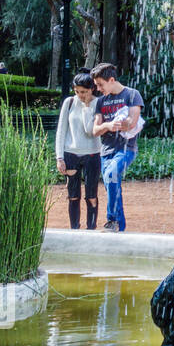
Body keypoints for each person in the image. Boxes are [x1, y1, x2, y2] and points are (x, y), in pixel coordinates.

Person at [90, 62, 144, 233]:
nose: (98, 89)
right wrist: (108, 125)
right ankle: (119, 227)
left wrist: (120, 123)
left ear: (111, 80)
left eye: (100, 84)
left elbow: (132, 122)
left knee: (111, 174)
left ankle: (112, 220)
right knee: (112, 185)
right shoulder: (100, 102)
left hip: (126, 149)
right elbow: (95, 130)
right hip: (105, 152)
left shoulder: (132, 95)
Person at [54, 73, 101, 230]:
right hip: (70, 153)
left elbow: (90, 131)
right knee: (73, 195)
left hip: (92, 154)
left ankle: (91, 228)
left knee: (91, 195)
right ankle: (74, 229)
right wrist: (59, 157)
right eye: (77, 91)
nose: (80, 95)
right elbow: (61, 130)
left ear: (92, 89)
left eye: (84, 92)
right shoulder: (69, 102)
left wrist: (87, 107)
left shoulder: (98, 103)